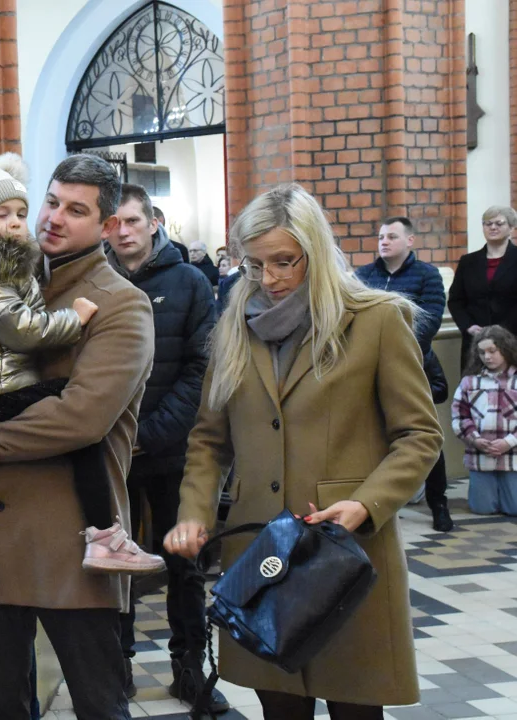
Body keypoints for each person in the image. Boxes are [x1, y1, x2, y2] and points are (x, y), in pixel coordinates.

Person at [165, 184, 443, 719]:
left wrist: (366, 504)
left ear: (315, 251)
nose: (268, 279)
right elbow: (208, 441)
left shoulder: (376, 320)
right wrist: (195, 513)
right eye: (254, 264)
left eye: (284, 262)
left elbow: (420, 435)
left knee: (354, 707)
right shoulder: (233, 329)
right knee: (281, 708)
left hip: (344, 551)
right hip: (262, 554)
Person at [0, 154, 154, 720]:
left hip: (73, 537)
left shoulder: (121, 304)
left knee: (100, 704)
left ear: (106, 226)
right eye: (51, 201)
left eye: (75, 210)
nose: (53, 218)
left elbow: (81, 417)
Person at [107, 184, 227, 712]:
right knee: (113, 563)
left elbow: (203, 370)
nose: (124, 231)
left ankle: (190, 670)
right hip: (109, 453)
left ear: (153, 222)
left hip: (171, 450)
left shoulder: (190, 282)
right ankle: (117, 669)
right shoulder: (95, 280)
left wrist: (148, 433)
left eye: (133, 220)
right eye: (114, 224)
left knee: (185, 564)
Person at [354, 217, 452, 532]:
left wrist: (394, 349)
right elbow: (353, 317)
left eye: (392, 236)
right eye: (380, 236)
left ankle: (439, 503)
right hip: (366, 364)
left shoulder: (427, 275)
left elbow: (430, 319)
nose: (384, 241)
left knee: (420, 432)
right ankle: (370, 501)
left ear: (409, 241)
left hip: (414, 362)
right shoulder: (363, 275)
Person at [451, 325, 517, 516]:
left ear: (505, 349)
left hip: (513, 456)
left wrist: (508, 442)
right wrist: (474, 439)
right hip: (481, 454)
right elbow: (459, 416)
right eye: (482, 352)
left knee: (513, 509)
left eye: (492, 351)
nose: (487, 357)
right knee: (482, 509)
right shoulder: (470, 382)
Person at [448, 206, 517, 366]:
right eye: (488, 223)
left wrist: (502, 331)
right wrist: (469, 326)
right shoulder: (468, 261)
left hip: (512, 338)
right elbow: (456, 300)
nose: (493, 227)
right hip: (475, 342)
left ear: (511, 227)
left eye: (499, 223)